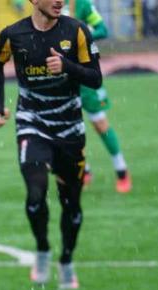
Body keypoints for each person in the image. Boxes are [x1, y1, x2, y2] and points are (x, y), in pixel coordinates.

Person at [0, 0, 102, 290]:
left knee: (71, 203)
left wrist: (67, 66)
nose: (59, 1)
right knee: (35, 194)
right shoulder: (13, 35)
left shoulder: (77, 31)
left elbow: (95, 78)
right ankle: (42, 249)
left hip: (70, 129)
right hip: (32, 123)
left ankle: (66, 261)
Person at [63, 0, 131, 193]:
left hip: (85, 73)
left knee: (100, 123)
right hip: (63, 76)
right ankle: (84, 170)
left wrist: (81, 37)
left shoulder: (81, 4)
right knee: (69, 128)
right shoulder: (47, 3)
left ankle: (121, 170)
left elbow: (102, 29)